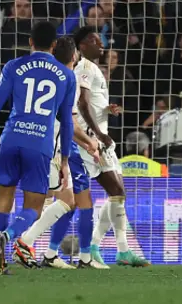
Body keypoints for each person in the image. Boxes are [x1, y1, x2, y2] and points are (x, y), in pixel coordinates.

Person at [0, 22, 76, 275]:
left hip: (11, 138)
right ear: (55, 45)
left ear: (30, 42)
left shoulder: (13, 66)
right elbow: (67, 121)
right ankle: (9, 235)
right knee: (34, 208)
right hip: (39, 144)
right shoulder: (66, 75)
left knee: (3, 197)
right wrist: (65, 160)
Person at [14, 36, 107, 269]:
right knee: (60, 200)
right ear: (74, 55)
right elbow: (69, 123)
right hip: (54, 147)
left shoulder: (47, 76)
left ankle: (40, 248)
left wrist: (85, 143)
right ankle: (22, 240)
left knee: (65, 199)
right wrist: (91, 142)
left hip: (34, 140)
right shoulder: (68, 80)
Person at [72, 26, 150, 267]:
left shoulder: (93, 69)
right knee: (116, 192)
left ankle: (99, 246)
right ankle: (118, 250)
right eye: (96, 40)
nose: (102, 44)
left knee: (117, 193)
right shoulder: (84, 67)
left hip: (98, 136)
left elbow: (91, 104)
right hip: (91, 140)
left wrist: (107, 110)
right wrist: (98, 134)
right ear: (83, 45)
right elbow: (82, 104)